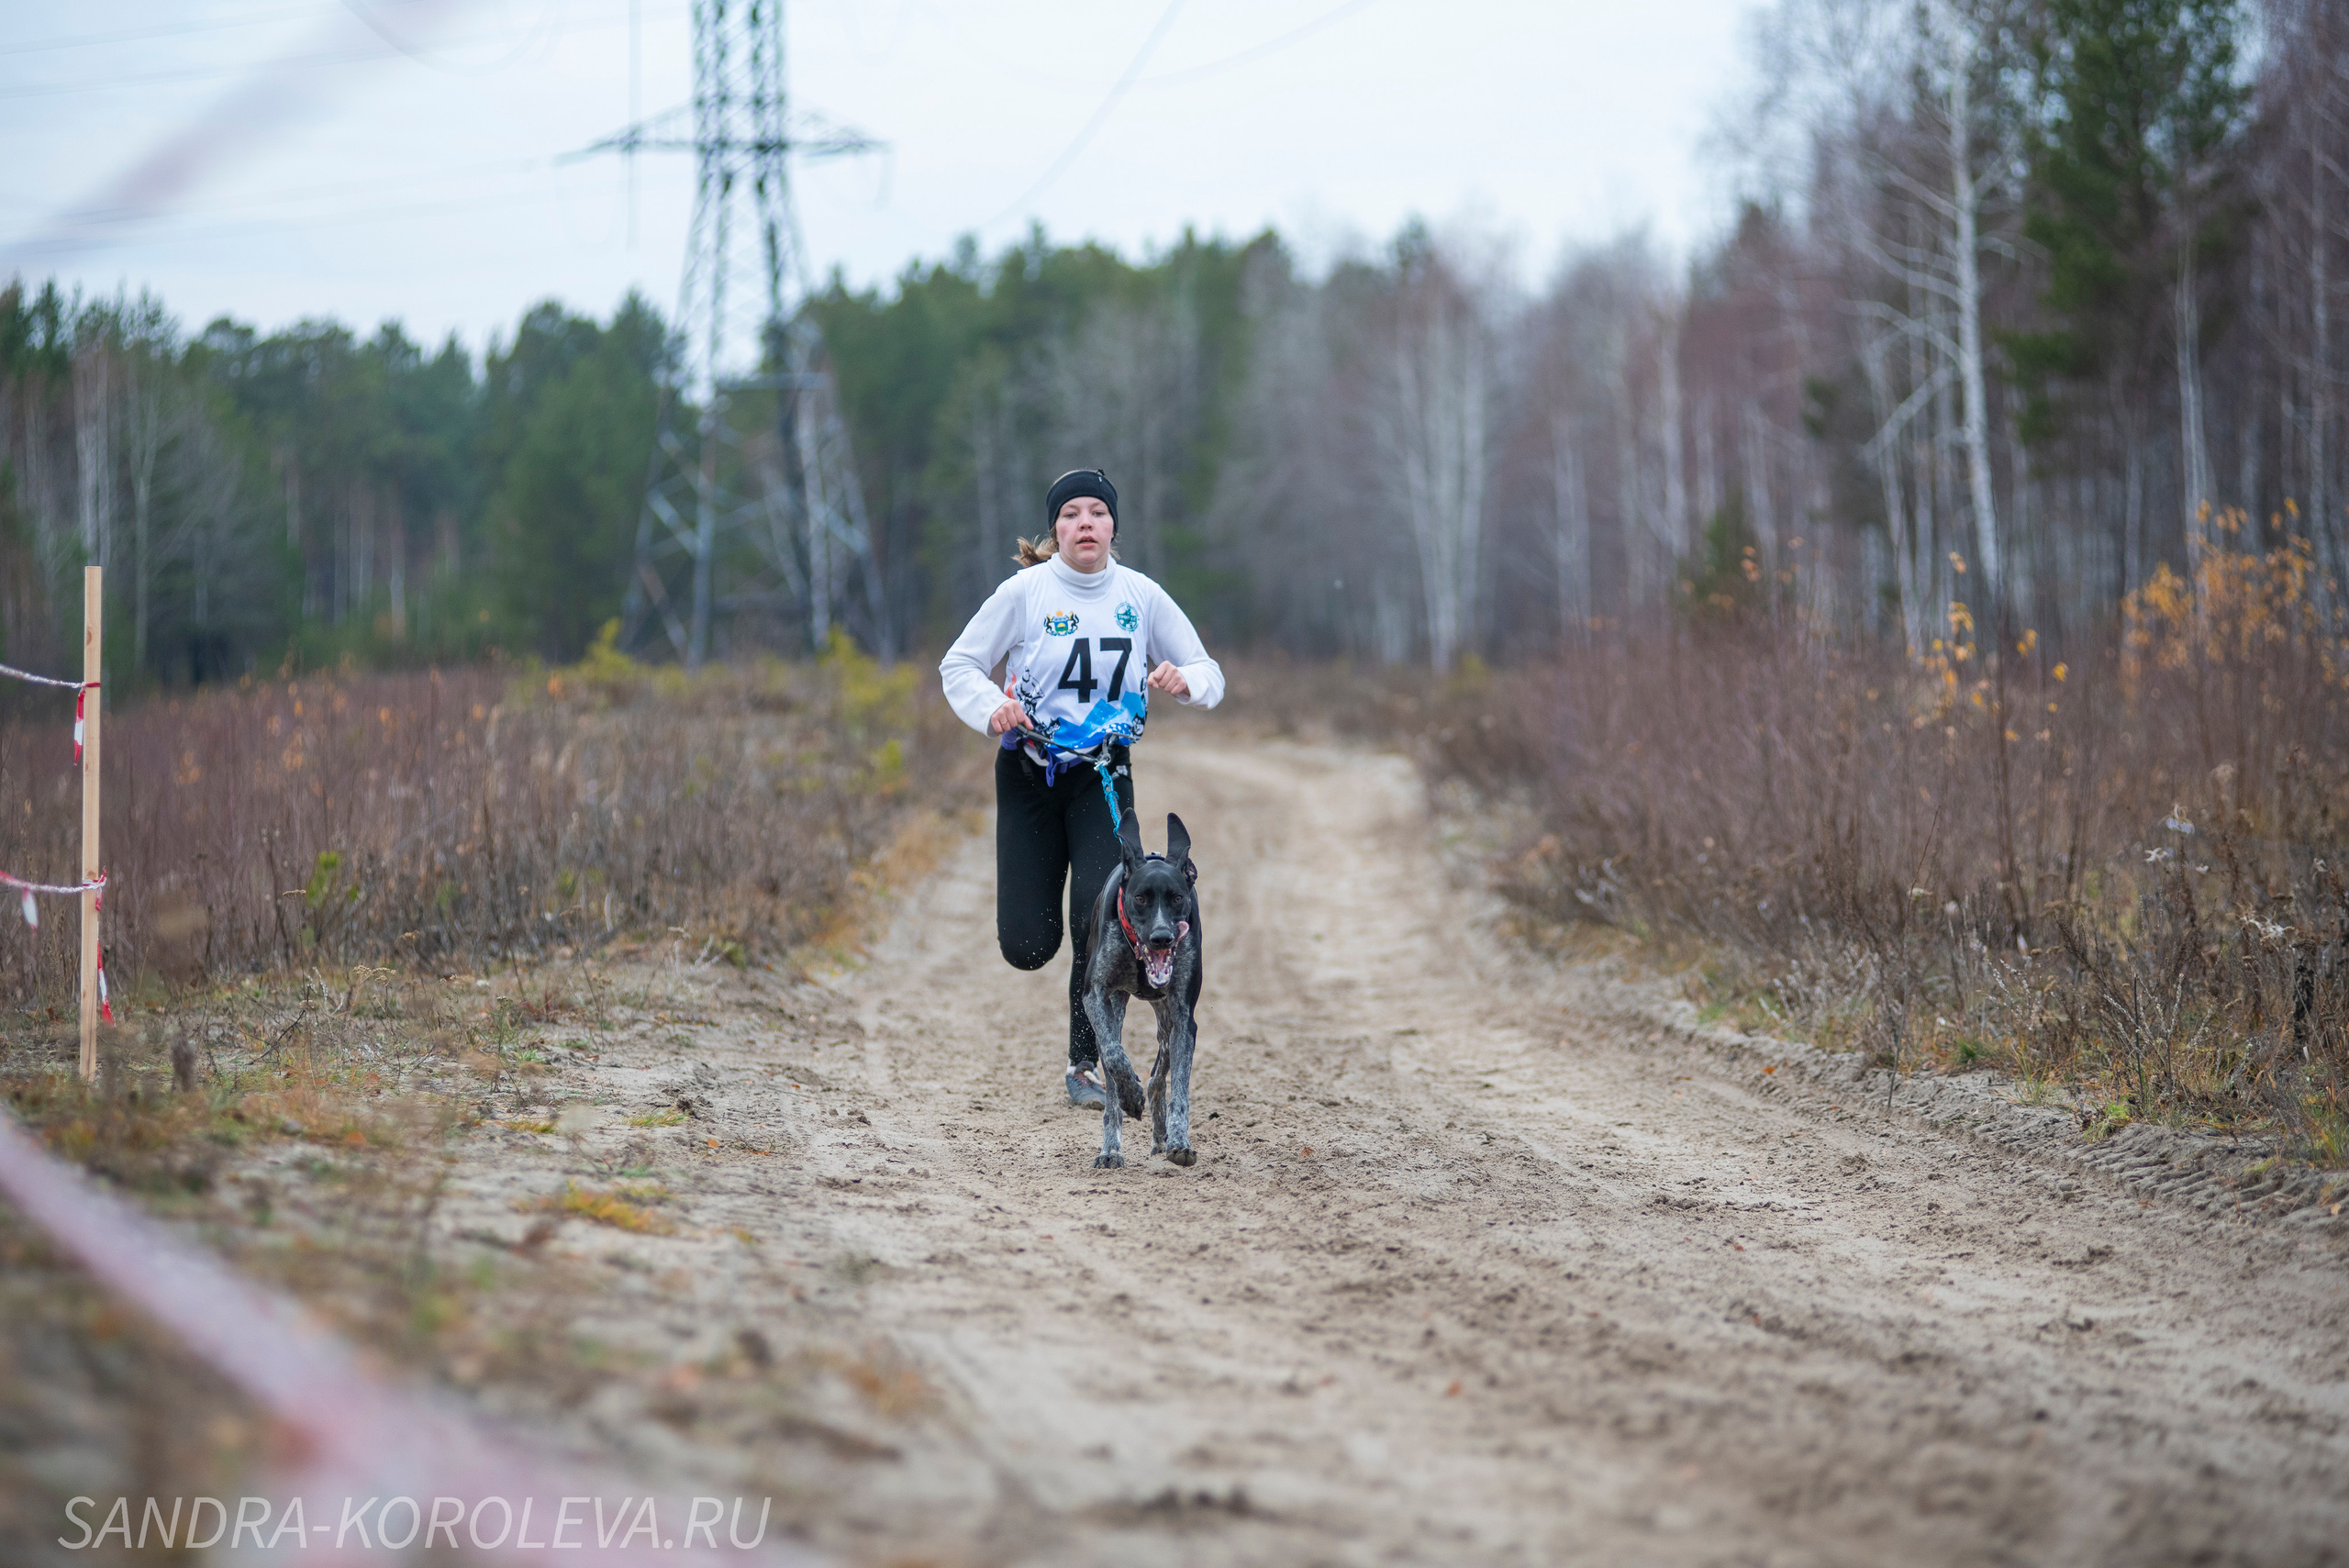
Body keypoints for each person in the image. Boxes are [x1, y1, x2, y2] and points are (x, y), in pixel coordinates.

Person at [939, 468, 1225, 1108]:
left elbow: (1211, 671)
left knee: (1101, 925)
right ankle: (1056, 978)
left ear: (1114, 526)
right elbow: (958, 663)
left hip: (1104, 774)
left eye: (1098, 511)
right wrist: (992, 707)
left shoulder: (1141, 595)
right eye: (1072, 514)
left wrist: (1188, 681)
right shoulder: (1026, 592)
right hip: (1030, 775)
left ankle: (1085, 1065)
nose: (1086, 522)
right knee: (1029, 944)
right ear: (1056, 529)